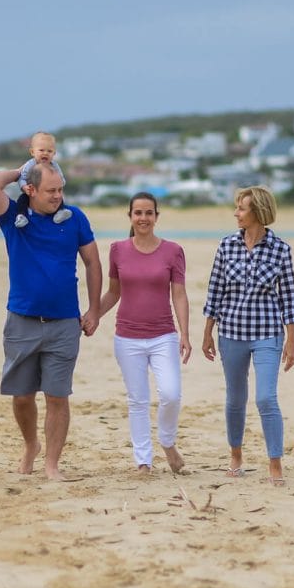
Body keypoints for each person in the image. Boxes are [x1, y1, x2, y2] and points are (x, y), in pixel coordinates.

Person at [0, 160, 102, 481]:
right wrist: (24, 168)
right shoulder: (13, 218)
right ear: (29, 190)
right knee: (22, 396)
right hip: (22, 320)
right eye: (50, 190)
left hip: (65, 322)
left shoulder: (74, 218)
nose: (57, 196)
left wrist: (93, 310)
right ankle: (31, 444)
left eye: (61, 189)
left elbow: (92, 262)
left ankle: (52, 465)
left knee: (57, 396)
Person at [202, 185, 294, 487]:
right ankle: (235, 455)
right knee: (235, 399)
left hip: (268, 333)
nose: (236, 213)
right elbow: (215, 290)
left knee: (266, 398)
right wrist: (207, 332)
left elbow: (289, 299)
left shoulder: (281, 250)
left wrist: (292, 341)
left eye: (241, 209)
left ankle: (275, 463)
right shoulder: (226, 245)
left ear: (257, 211)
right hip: (231, 332)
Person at [99, 192, 191, 475]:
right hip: (127, 337)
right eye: (138, 213)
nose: (143, 218)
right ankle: (143, 461)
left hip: (164, 335)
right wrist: (92, 316)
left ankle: (166, 441)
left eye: (148, 213)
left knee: (171, 394)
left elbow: (179, 294)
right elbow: (114, 292)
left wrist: (185, 334)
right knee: (137, 400)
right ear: (130, 217)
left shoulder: (173, 251)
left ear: (156, 216)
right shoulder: (117, 250)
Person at [13, 131, 71, 228]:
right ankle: (21, 216)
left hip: (48, 191)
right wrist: (24, 187)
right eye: (41, 150)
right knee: (22, 200)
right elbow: (21, 177)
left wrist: (60, 184)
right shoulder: (30, 165)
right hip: (30, 192)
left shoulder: (54, 165)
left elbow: (60, 177)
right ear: (32, 152)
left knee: (58, 197)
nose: (45, 153)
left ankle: (60, 212)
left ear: (54, 153)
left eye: (49, 151)